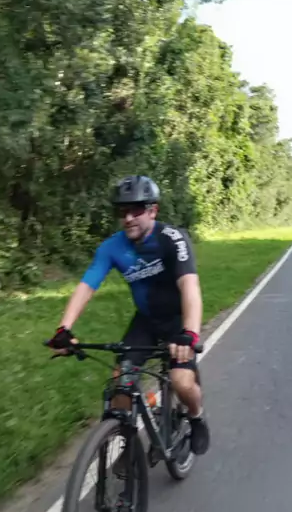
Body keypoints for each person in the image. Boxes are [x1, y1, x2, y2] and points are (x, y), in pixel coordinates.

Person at [47, 175, 210, 456]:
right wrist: (64, 329)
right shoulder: (112, 247)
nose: (128, 218)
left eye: (136, 210)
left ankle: (196, 417)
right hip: (146, 321)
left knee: (182, 382)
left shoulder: (172, 239)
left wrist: (190, 333)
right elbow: (87, 286)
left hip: (177, 321)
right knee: (121, 383)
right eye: (123, 211)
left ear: (153, 210)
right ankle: (127, 443)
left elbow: (189, 287)